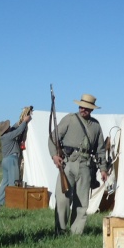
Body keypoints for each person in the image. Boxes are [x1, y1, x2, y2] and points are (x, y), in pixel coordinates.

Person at [48, 93, 109, 235]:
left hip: (86, 166)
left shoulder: (96, 126)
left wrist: (103, 169)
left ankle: (76, 233)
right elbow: (53, 137)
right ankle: (60, 231)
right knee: (62, 200)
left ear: (92, 109)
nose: (83, 110)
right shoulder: (69, 119)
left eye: (87, 108)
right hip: (68, 164)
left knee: (81, 203)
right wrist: (54, 156)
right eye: (82, 107)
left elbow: (100, 149)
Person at [0, 114, 32, 206]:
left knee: (5, 181)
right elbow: (19, 131)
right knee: (14, 181)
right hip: (11, 160)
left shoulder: (5, 136)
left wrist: (19, 121)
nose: (9, 126)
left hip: (5, 160)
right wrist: (25, 121)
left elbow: (14, 128)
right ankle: (12, 202)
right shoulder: (9, 136)